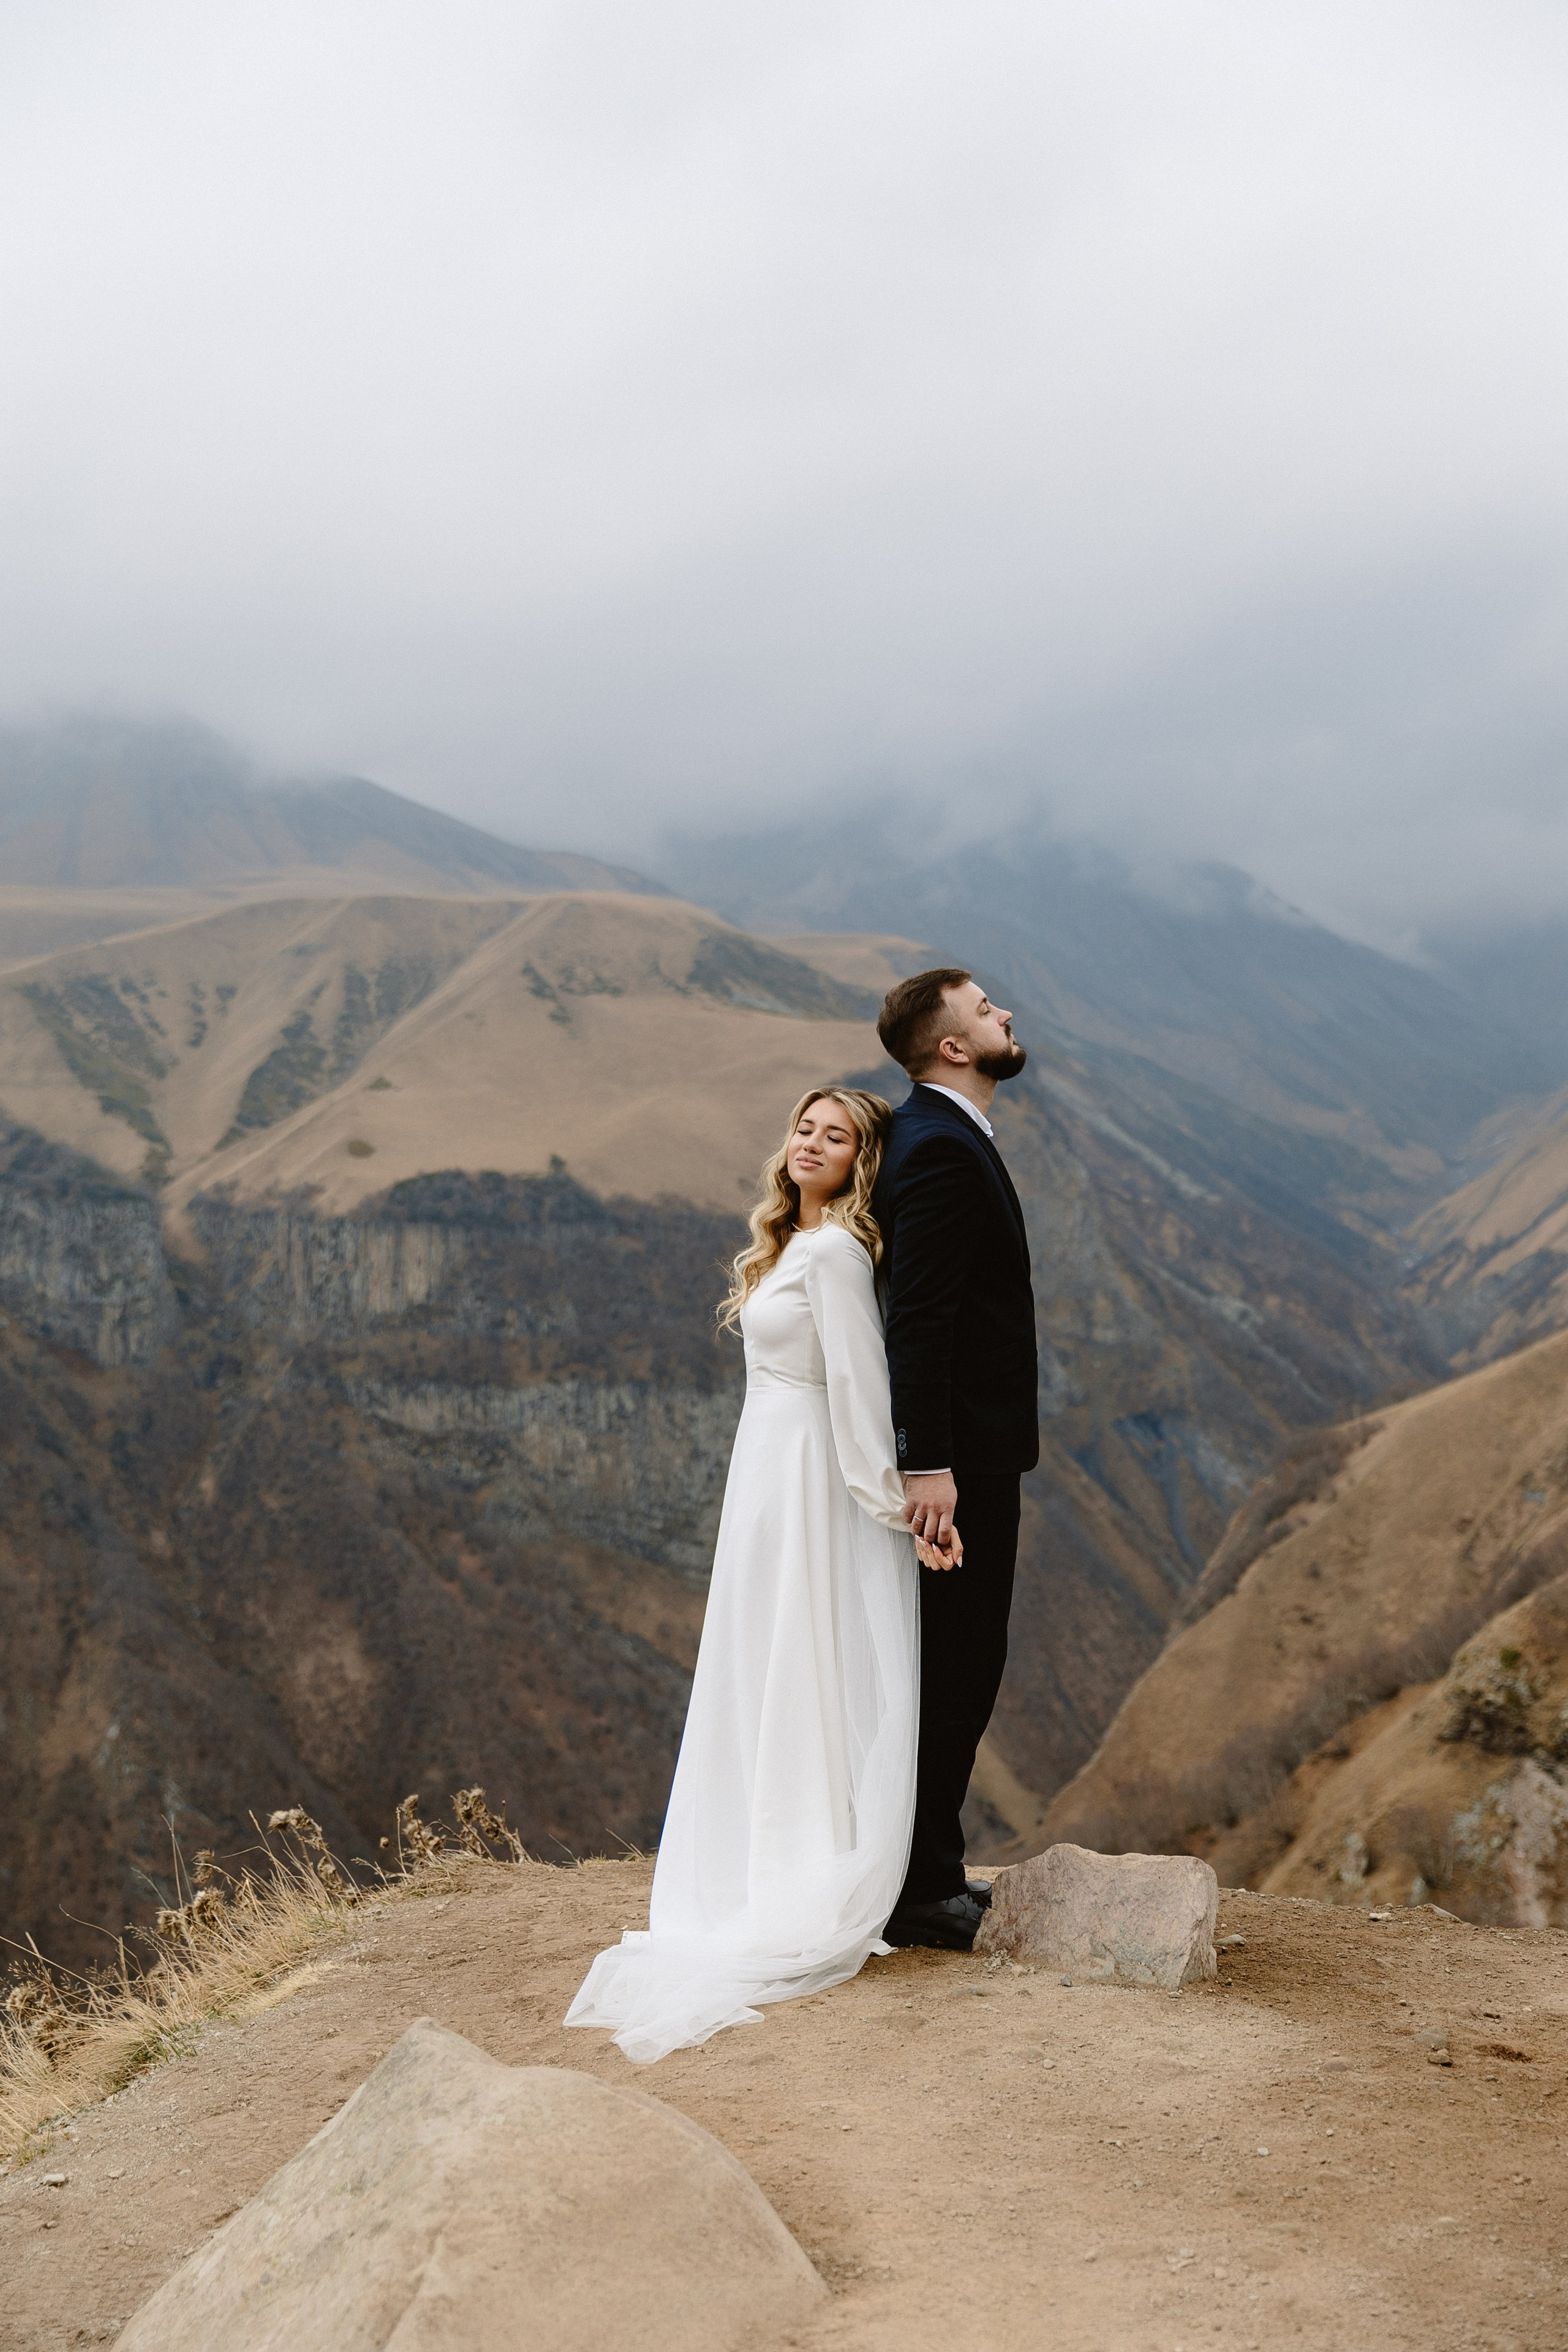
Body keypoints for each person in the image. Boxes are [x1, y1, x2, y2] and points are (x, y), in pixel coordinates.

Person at [565, 1087, 948, 2065]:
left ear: (862, 1159)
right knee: (769, 1651)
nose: (813, 1143)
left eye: (838, 1136)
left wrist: (887, 1504)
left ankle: (801, 1859)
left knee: (800, 1651)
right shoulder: (792, 1242)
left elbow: (862, 1382)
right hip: (768, 1477)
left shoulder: (832, 1254)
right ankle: (768, 1847)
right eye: (804, 1128)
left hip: (813, 1480)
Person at [873, 968, 1038, 1953]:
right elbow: (920, 1320)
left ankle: (927, 1867)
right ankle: (919, 1886)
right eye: (984, 1010)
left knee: (957, 1661)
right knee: (957, 1662)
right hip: (957, 1466)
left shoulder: (944, 1136)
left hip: (971, 1453)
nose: (1004, 1013)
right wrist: (927, 1466)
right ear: (951, 1048)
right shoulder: (938, 1149)